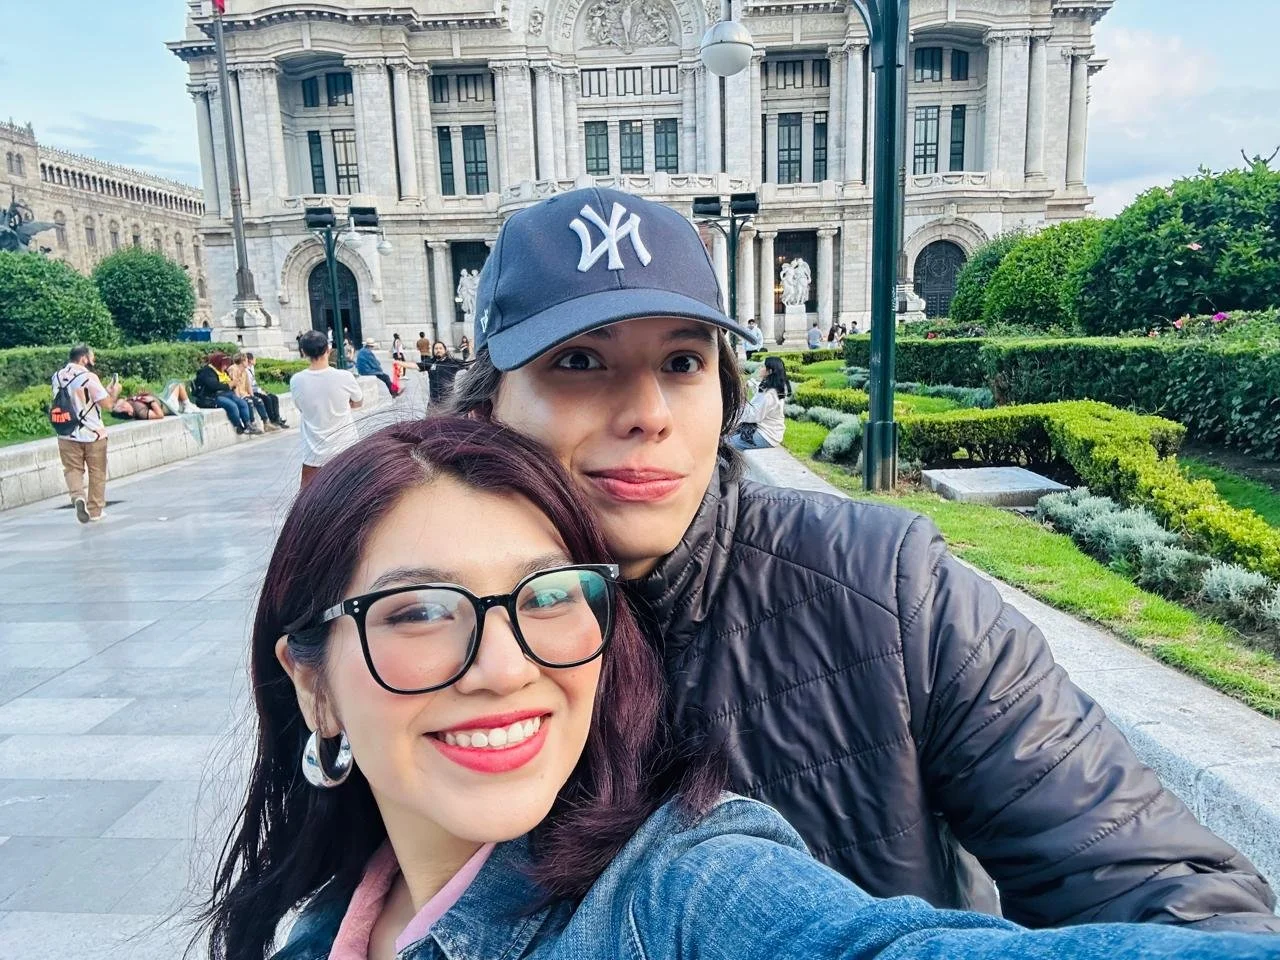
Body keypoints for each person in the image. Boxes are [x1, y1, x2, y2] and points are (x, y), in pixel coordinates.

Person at [445, 187, 1280, 930]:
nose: (649, 413)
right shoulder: (415, 625)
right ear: (484, 410)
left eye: (683, 361)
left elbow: (1163, 890)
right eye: (580, 361)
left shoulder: (889, 590)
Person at [195, 416, 1280, 960]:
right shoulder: (324, 925)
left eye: (549, 596)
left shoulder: (676, 891)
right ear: (313, 685)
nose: (506, 666)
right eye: (420, 612)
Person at [51, 343, 121, 523]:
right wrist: (114, 392)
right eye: (92, 357)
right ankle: (95, 511)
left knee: (72, 470)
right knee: (97, 472)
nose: (93, 360)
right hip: (93, 434)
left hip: (66, 432)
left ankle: (78, 497)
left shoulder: (57, 377)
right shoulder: (89, 377)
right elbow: (107, 404)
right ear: (83, 358)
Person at [290, 329, 363, 489]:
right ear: (328, 350)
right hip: (346, 449)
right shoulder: (345, 377)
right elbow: (358, 402)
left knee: (311, 499)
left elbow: (301, 408)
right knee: (350, 495)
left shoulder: (296, 380)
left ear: (303, 352)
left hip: (313, 455)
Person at [193, 352, 260, 435]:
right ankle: (238, 426)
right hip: (212, 396)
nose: (225, 366)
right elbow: (213, 386)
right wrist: (229, 385)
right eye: (223, 364)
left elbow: (230, 382)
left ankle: (247, 425)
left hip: (227, 393)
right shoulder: (207, 372)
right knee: (232, 405)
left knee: (242, 403)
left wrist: (234, 384)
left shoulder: (223, 371)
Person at [731, 355, 789, 450]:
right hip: (763, 430)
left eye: (763, 366)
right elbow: (758, 388)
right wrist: (749, 384)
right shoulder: (771, 387)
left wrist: (741, 401)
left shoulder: (770, 394)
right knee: (725, 436)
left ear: (769, 371)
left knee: (728, 443)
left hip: (766, 435)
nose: (760, 369)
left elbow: (754, 416)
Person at [229, 353, 276, 430]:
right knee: (249, 402)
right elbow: (235, 385)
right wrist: (238, 398)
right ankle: (252, 423)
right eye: (246, 360)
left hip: (245, 393)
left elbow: (248, 385)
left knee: (259, 400)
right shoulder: (234, 369)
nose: (247, 362)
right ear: (242, 361)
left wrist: (252, 396)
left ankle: (266, 423)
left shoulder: (245, 371)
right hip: (239, 395)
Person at [244, 353, 289, 429]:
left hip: (257, 389)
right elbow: (249, 385)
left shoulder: (252, 368)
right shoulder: (246, 370)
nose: (255, 360)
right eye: (254, 358)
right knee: (267, 398)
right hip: (252, 391)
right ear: (250, 360)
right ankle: (272, 420)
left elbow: (255, 383)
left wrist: (262, 390)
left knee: (274, 397)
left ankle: (277, 419)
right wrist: (260, 391)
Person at [110, 381, 193, 420]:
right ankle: (188, 405)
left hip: (163, 400)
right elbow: (159, 415)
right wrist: (151, 402)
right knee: (177, 385)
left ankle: (186, 404)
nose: (122, 404)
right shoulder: (141, 412)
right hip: (168, 405)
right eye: (122, 407)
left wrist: (143, 395)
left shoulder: (130, 402)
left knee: (174, 384)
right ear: (130, 413)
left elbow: (116, 403)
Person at [424, 340, 463, 406]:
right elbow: (416, 365)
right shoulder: (430, 362)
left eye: (440, 348)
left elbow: (468, 366)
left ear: (445, 350)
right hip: (433, 401)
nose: (438, 350)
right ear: (433, 350)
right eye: (436, 348)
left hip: (448, 401)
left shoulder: (452, 362)